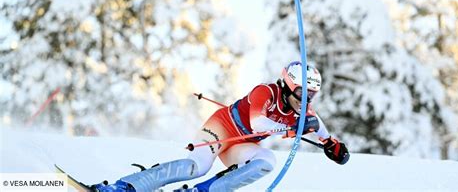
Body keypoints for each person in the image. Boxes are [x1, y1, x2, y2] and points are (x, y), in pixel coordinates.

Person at [94, 61, 350, 192]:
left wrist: (331, 144)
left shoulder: (301, 108)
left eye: (312, 94)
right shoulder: (265, 92)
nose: (305, 99)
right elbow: (258, 123)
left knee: (266, 161)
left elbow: (318, 126)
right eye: (300, 91)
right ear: (285, 84)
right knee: (196, 166)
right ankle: (125, 186)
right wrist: (294, 129)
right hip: (222, 128)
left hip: (241, 145)